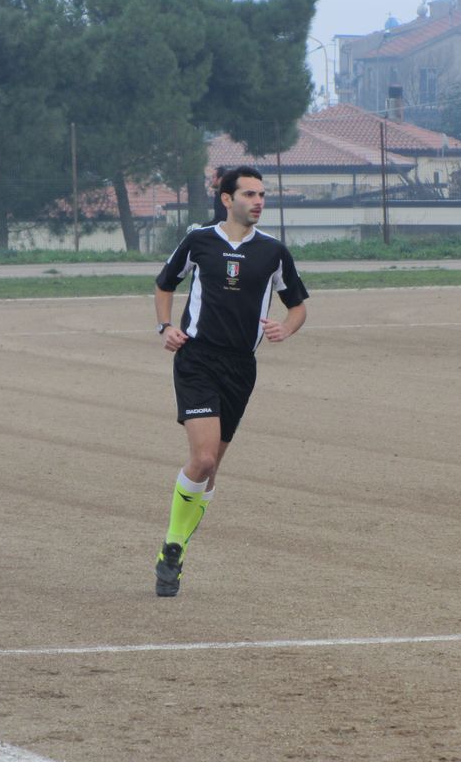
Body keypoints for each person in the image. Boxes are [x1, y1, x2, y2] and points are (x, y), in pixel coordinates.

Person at [152, 165, 309, 597]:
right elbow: (164, 285)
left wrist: (286, 327)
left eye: (262, 195)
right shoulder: (199, 241)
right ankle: (173, 543)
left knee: (212, 470)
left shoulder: (273, 252)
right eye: (249, 194)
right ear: (227, 199)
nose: (258, 202)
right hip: (197, 359)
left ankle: (175, 552)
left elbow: (297, 306)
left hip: (241, 367)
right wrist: (165, 327)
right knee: (202, 460)